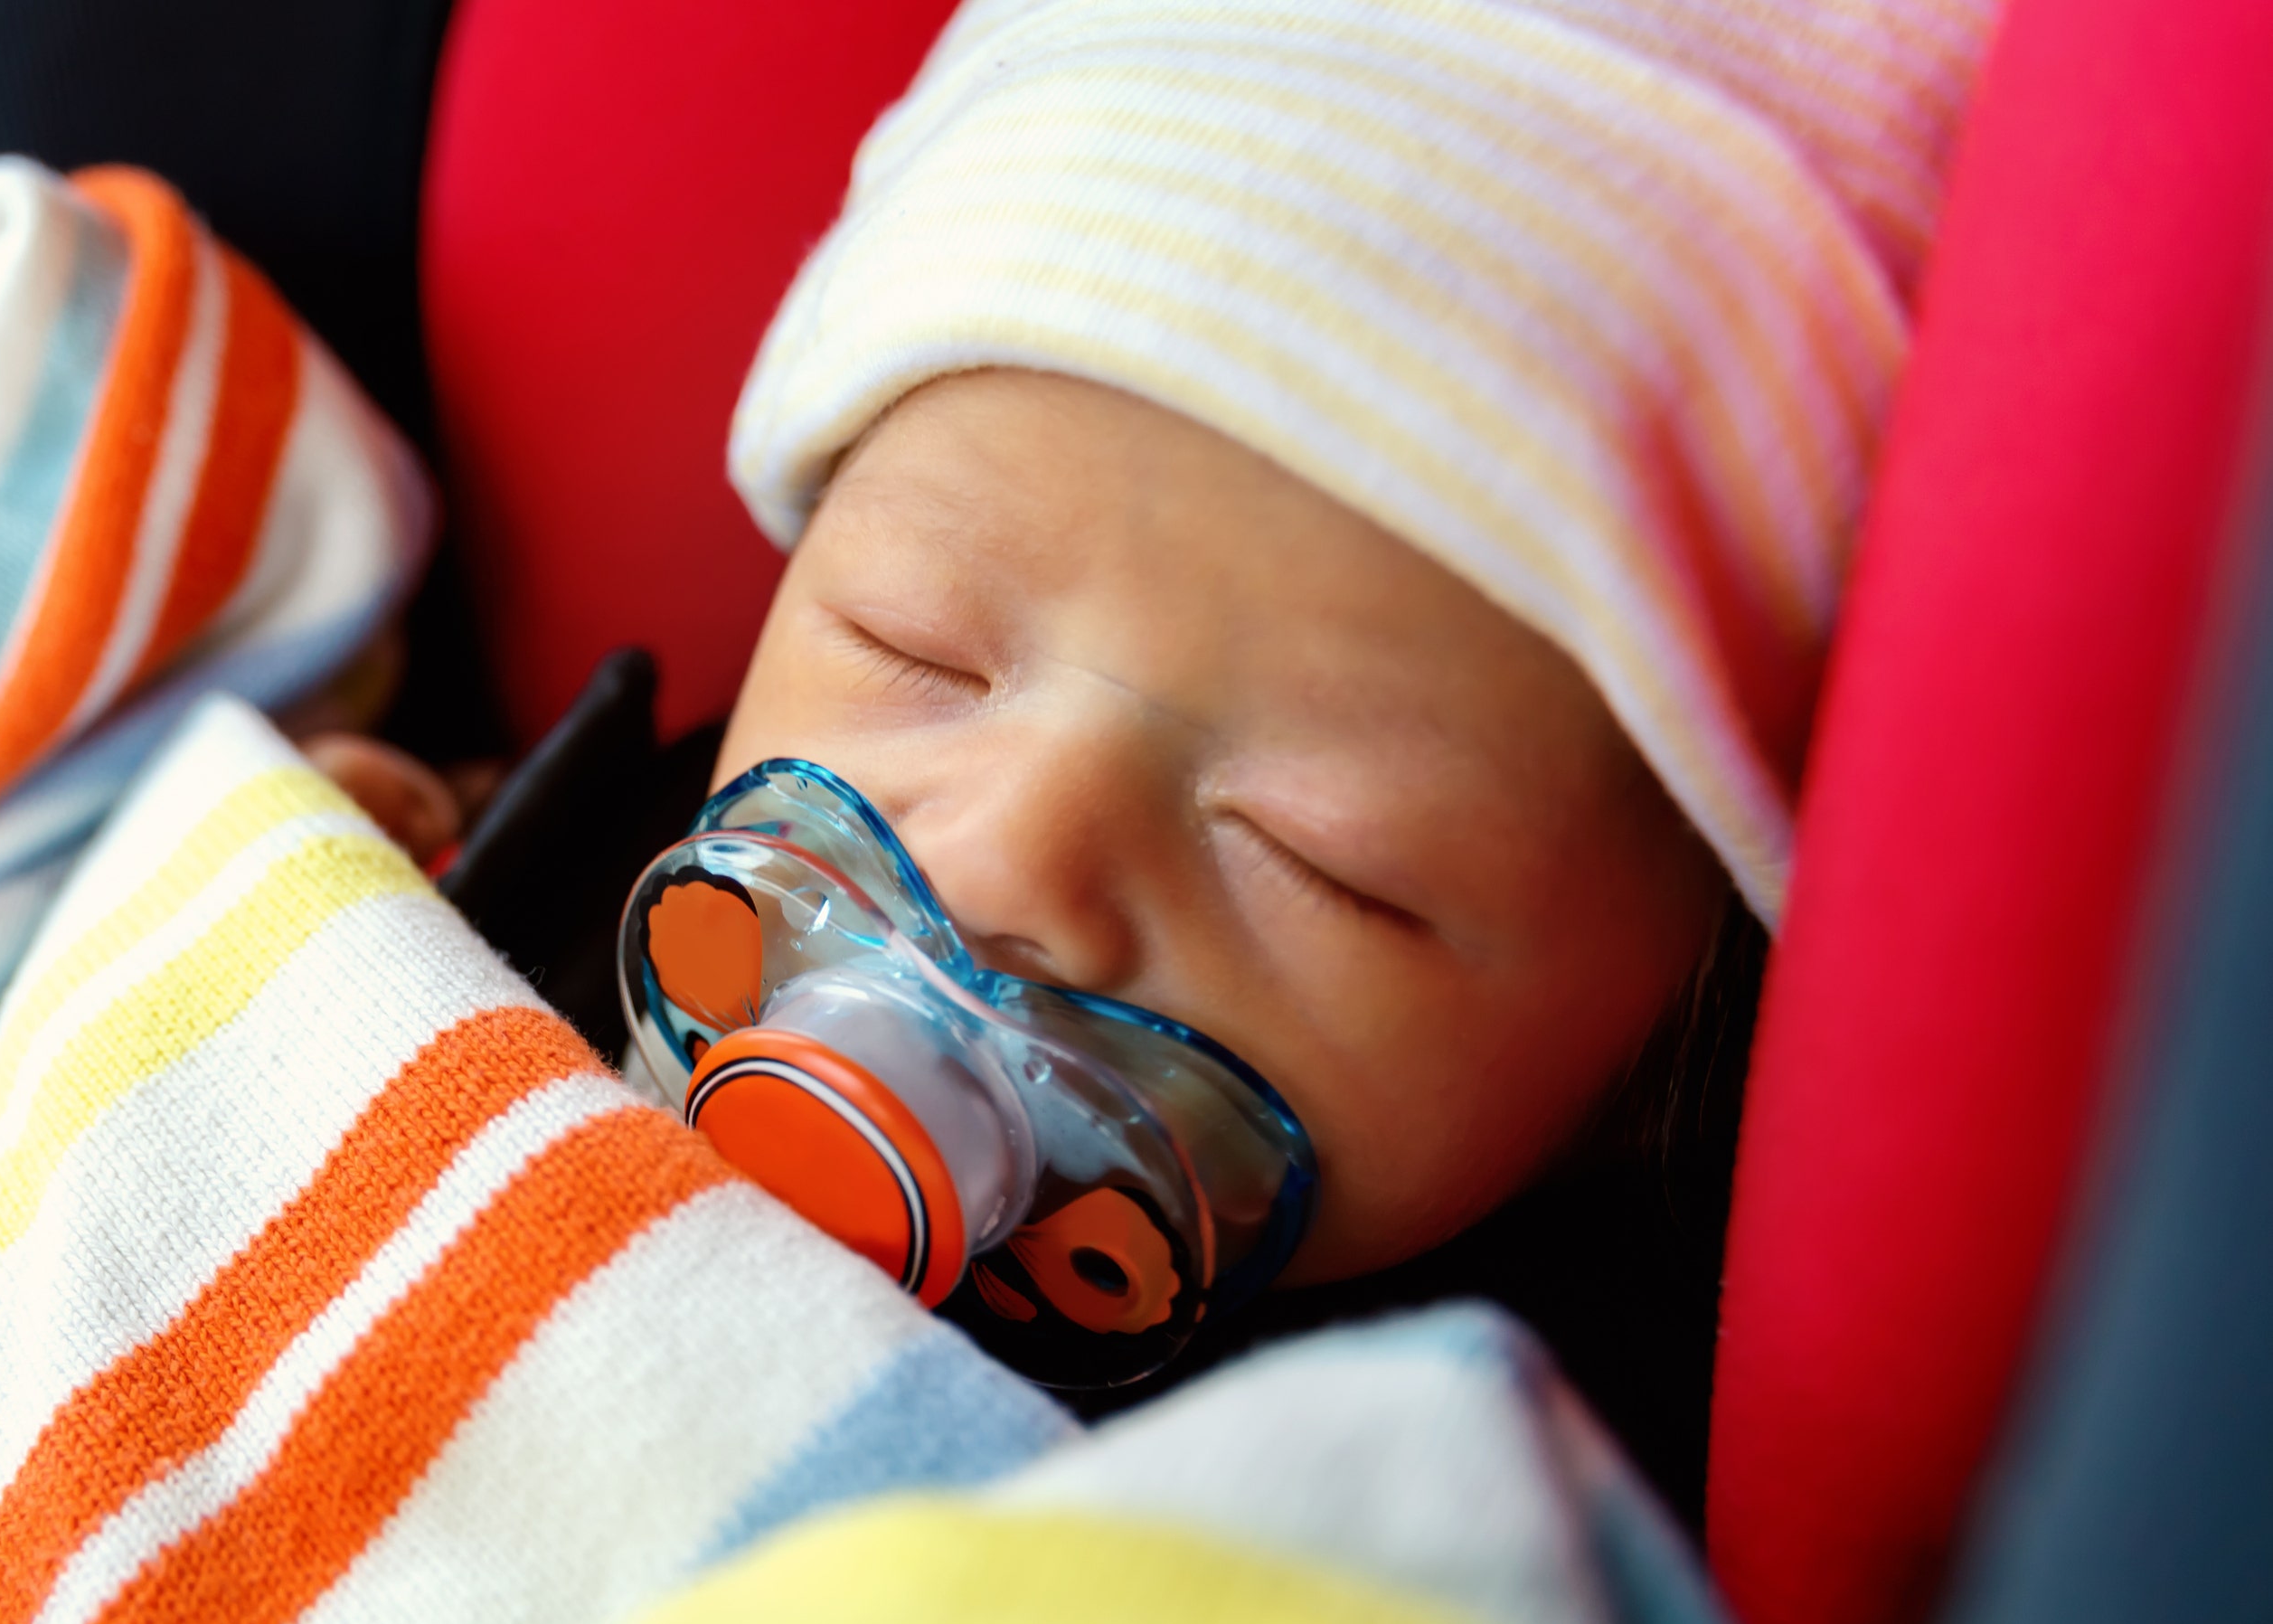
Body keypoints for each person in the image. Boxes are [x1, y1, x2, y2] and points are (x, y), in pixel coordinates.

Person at [309, 0, 1999, 1489]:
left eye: (1316, 858)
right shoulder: (658, 865)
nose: (1001, 861)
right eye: (913, 646)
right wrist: (406, 889)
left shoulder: (1499, 1468)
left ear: (1657, 1064)